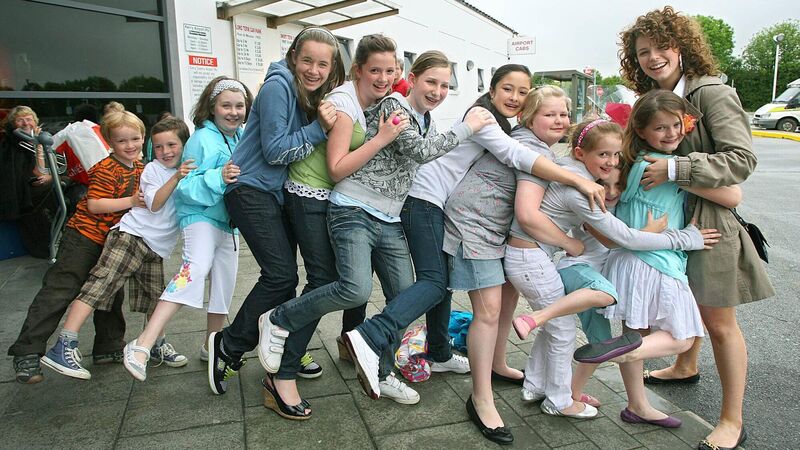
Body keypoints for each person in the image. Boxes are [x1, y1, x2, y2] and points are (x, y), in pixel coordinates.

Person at [258, 43, 495, 419]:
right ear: (412, 79)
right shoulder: (393, 107)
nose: (437, 91)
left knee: (403, 297)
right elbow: (421, 152)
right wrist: (470, 126)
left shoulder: (426, 120)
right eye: (431, 82)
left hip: (390, 218)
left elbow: (425, 159)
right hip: (352, 208)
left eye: (444, 85)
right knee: (354, 288)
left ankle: (381, 371)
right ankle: (279, 318)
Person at [618, 8, 774, 449]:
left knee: (719, 322)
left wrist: (675, 169)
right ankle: (686, 366)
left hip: (708, 225)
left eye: (661, 47)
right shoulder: (656, 95)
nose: (653, 57)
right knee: (684, 302)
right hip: (670, 224)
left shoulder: (711, 93)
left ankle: (731, 421)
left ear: (682, 47)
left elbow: (741, 160)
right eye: (643, 52)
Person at [503, 116, 716, 422]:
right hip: (574, 269)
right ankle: (556, 387)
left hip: (564, 264)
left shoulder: (588, 182)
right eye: (604, 156)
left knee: (595, 339)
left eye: (616, 159)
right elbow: (619, 239)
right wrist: (681, 238)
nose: (612, 189)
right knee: (590, 307)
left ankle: (547, 389)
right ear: (583, 156)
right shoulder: (586, 194)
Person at [574, 90, 739, 430]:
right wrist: (677, 171)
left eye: (677, 125)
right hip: (655, 262)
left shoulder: (634, 161)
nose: (671, 133)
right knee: (684, 336)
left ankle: (637, 404)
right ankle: (618, 352)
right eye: (660, 127)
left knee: (636, 330)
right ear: (642, 130)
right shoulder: (655, 165)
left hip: (630, 261)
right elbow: (733, 195)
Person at [205, 27, 344, 400]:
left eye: (322, 64)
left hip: (276, 194)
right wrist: (319, 128)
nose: (314, 70)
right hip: (250, 189)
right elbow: (276, 151)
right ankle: (228, 344)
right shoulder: (277, 87)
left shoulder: (307, 91)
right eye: (307, 60)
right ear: (293, 56)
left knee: (288, 280)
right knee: (281, 275)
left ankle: (281, 347)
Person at [40, 117, 194, 380]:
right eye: (159, 147)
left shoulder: (181, 170)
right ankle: (64, 344)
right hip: (131, 237)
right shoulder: (152, 170)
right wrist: (177, 177)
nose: (165, 151)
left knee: (156, 299)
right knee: (100, 285)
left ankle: (155, 344)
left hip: (156, 247)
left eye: (172, 145)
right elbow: (155, 204)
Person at [122, 76, 253, 381]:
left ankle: (211, 346)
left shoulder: (241, 136)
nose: (233, 112)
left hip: (229, 223)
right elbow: (185, 187)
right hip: (200, 218)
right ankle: (142, 344)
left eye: (240, 106)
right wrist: (219, 177)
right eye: (226, 105)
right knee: (193, 272)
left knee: (224, 285)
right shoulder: (200, 139)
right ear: (212, 106)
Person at [7, 102, 141, 384]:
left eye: (135, 138)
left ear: (143, 138)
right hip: (83, 237)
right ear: (109, 142)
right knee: (61, 288)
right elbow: (94, 205)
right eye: (121, 140)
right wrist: (131, 201)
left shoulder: (140, 168)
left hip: (112, 239)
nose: (129, 145)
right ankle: (27, 351)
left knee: (109, 291)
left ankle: (108, 345)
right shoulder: (105, 168)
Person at [0, 106, 55, 258]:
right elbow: (38, 174)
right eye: (20, 120)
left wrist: (51, 177)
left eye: (29, 119)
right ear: (13, 124)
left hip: (44, 185)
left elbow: (55, 169)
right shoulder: (11, 146)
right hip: (26, 193)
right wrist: (38, 147)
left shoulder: (45, 138)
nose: (25, 123)